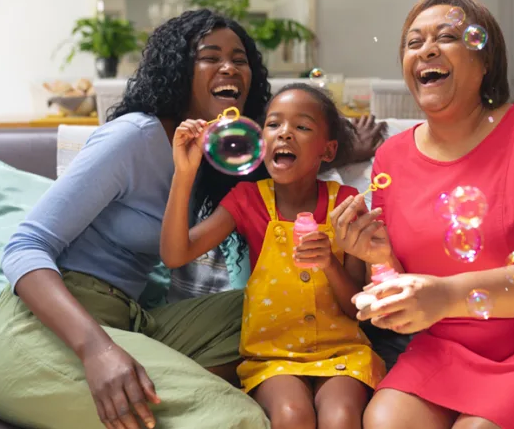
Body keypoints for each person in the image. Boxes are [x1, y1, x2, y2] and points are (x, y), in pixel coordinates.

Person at [0, 9, 384, 429]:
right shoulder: (134, 136)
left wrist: (348, 150)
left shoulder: (214, 152)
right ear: (177, 69)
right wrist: (97, 350)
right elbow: (25, 246)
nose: (229, 67)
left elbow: (288, 169)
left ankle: (325, 377)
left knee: (282, 304)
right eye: (210, 56)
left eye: (240, 59)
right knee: (235, 419)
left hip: (130, 319)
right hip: (44, 325)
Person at [330, 0, 514, 429]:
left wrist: (446, 296)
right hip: (449, 343)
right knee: (383, 422)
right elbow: (398, 276)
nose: (426, 49)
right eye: (414, 43)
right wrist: (377, 259)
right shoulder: (391, 156)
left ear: (485, 62)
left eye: (447, 36)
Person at [161, 83, 386, 429]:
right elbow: (176, 254)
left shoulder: (347, 202)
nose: (285, 134)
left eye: (302, 126)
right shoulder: (246, 199)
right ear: (260, 141)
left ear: (328, 151)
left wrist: (329, 265)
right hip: (272, 356)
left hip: (342, 351)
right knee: (292, 416)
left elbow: (356, 310)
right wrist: (184, 172)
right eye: (274, 124)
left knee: (340, 418)